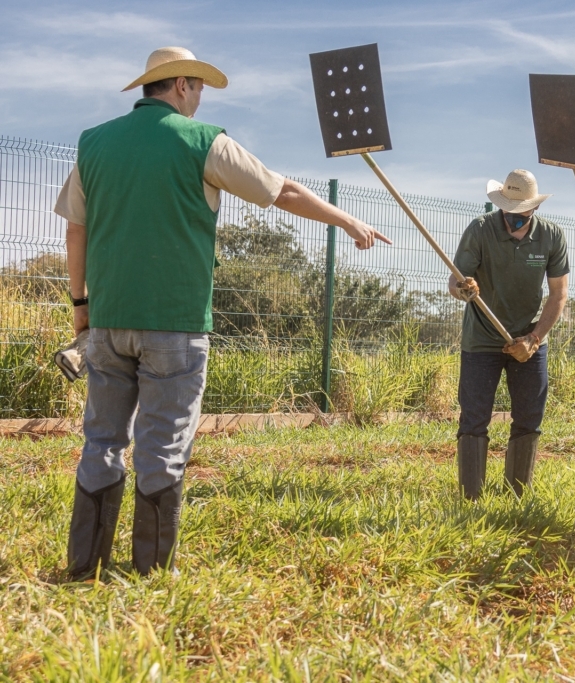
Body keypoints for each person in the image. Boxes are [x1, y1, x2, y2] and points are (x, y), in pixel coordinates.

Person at [54, 47, 390, 580]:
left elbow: (75, 229)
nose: (200, 97)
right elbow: (281, 191)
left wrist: (81, 310)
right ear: (182, 84)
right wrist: (346, 220)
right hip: (177, 324)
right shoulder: (204, 141)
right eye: (200, 87)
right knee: (162, 449)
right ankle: (149, 577)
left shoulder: (94, 144)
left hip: (109, 322)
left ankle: (81, 569)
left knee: (101, 443)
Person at [449, 169, 569, 499]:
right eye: (507, 210)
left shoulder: (552, 237)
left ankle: (517, 495)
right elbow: (455, 283)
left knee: (529, 416)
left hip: (529, 339)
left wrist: (534, 339)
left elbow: (558, 295)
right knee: (474, 418)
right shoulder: (479, 229)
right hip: (482, 340)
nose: (512, 217)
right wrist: (465, 289)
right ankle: (471, 497)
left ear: (534, 208)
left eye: (520, 212)